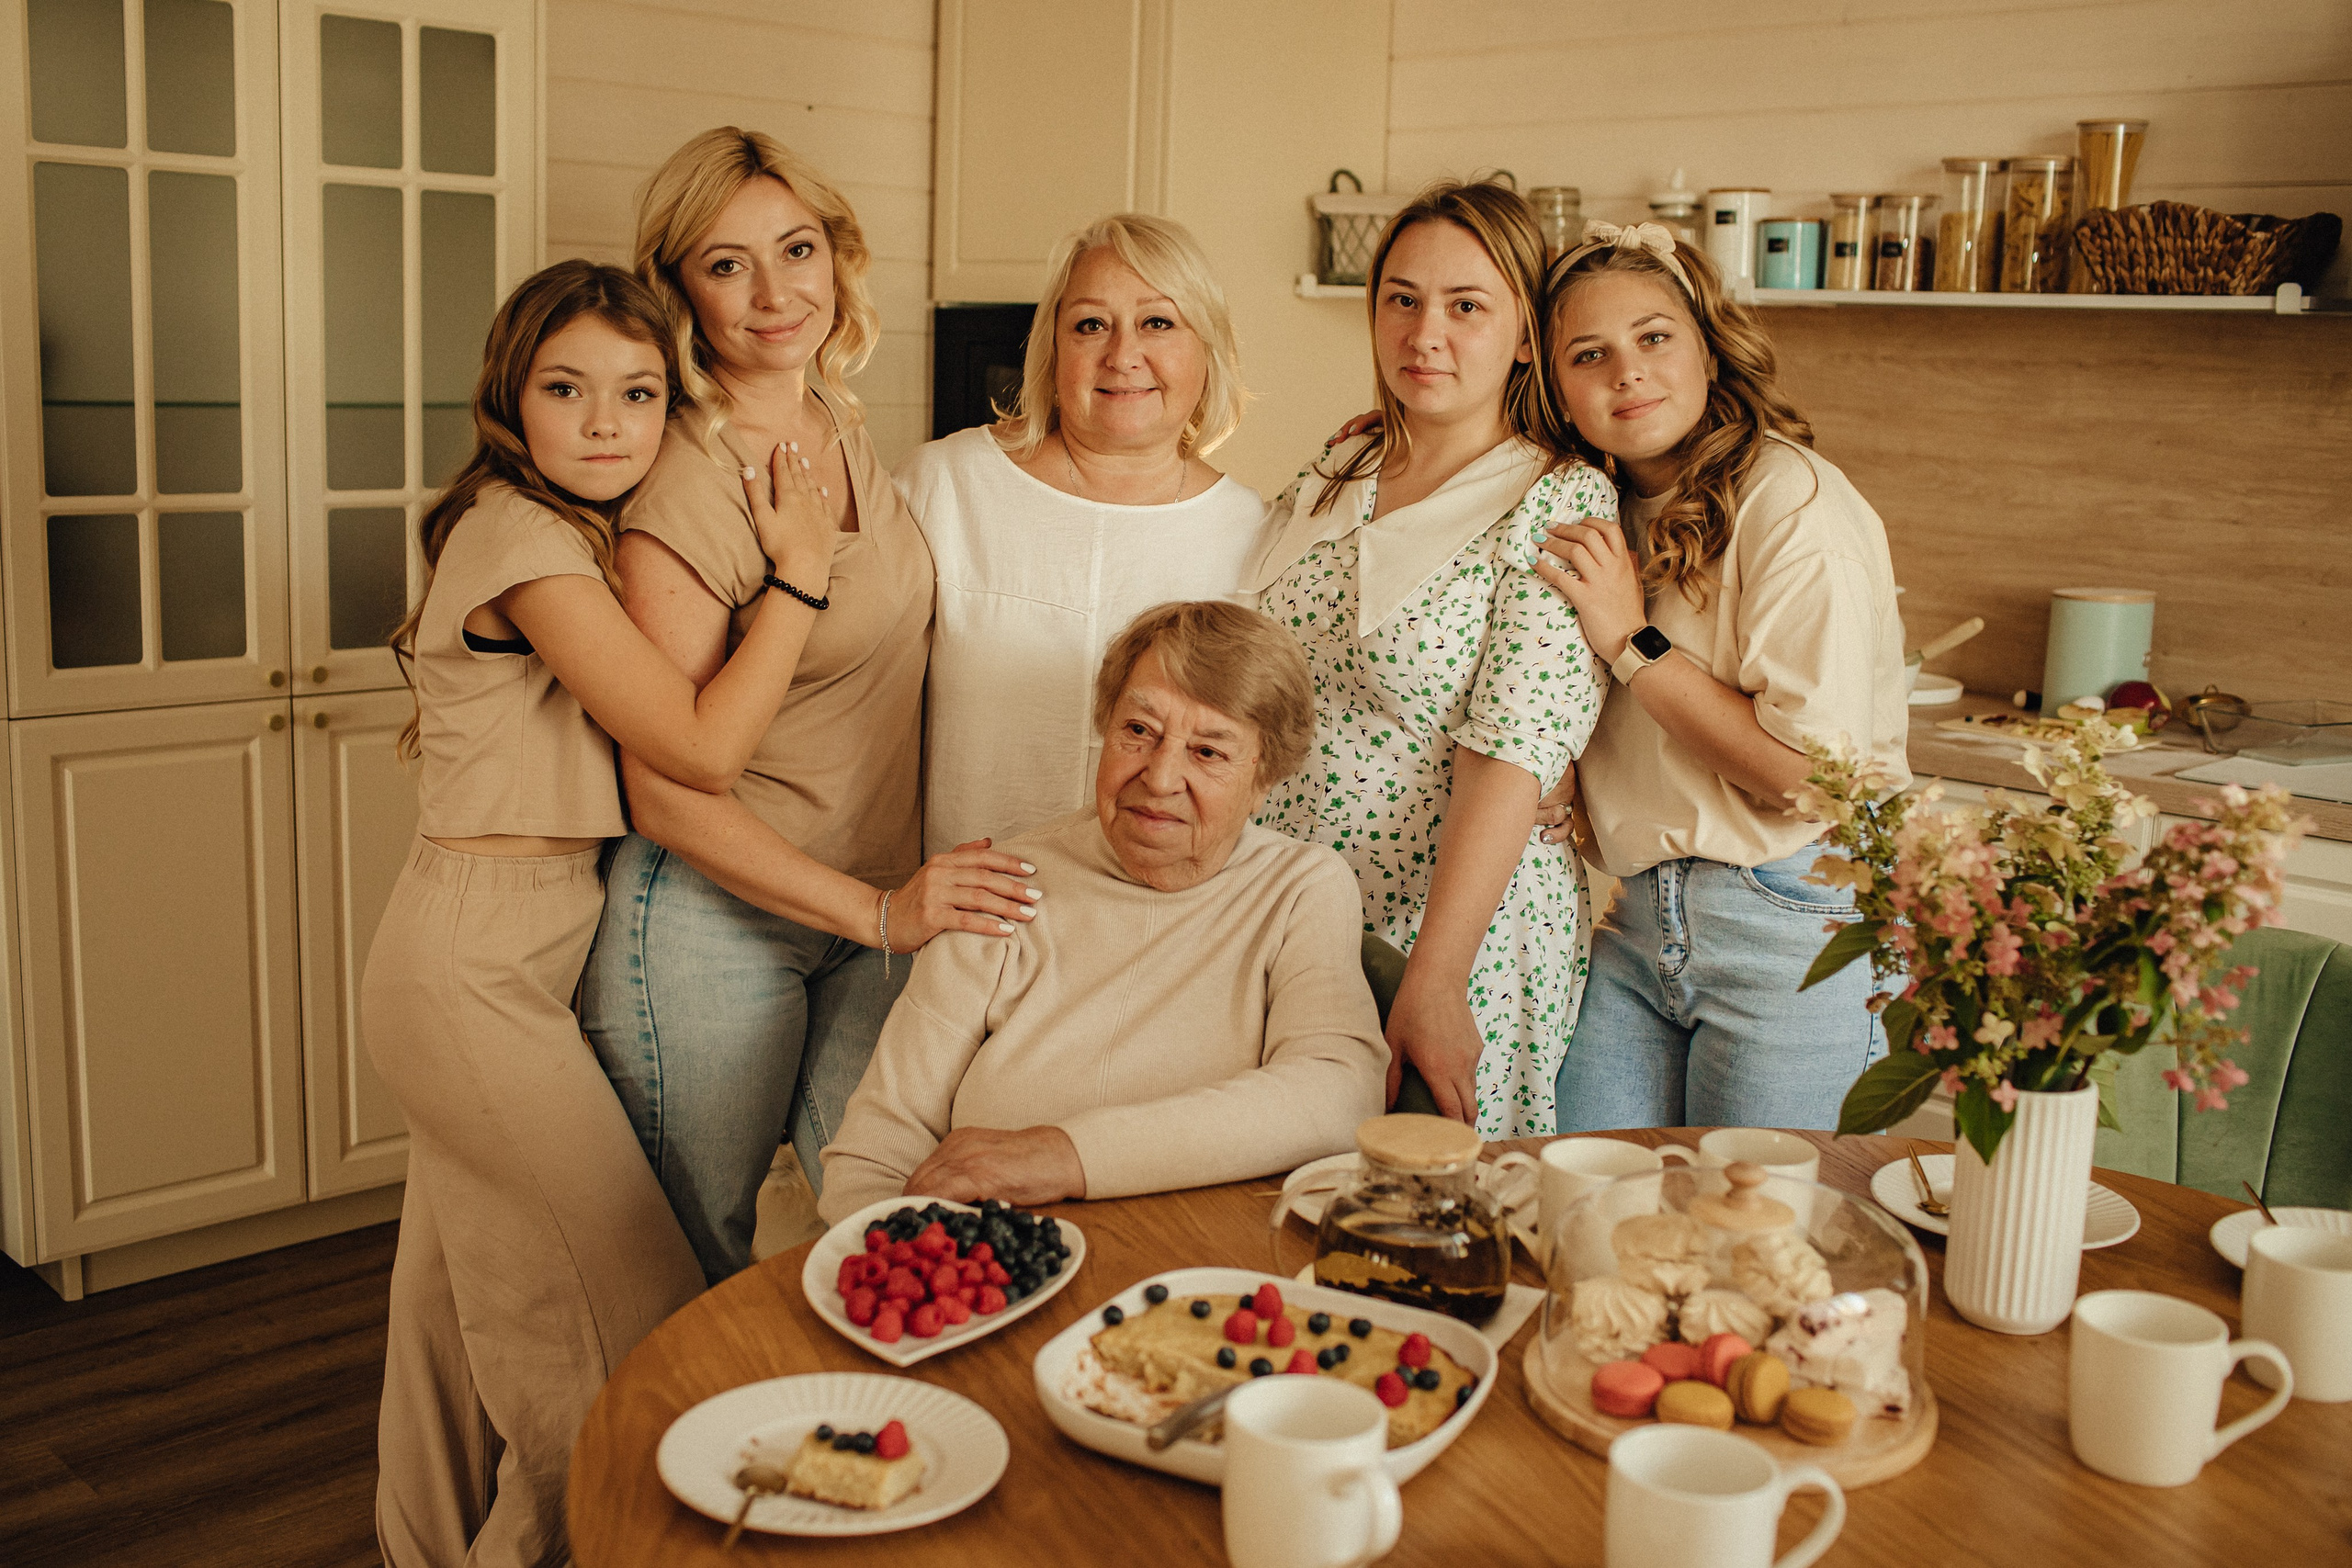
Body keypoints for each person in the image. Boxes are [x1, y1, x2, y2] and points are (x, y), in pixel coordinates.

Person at [363, 259, 835, 1565]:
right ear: (513, 393)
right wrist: (795, 579)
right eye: (567, 388)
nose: (606, 420)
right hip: (471, 962)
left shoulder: (567, 532)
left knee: (458, 1323)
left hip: (505, 941)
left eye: (636, 391)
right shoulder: (521, 537)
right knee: (629, 1312)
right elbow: (698, 747)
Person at [575, 128, 1039, 1284]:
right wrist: (877, 915)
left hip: (869, 908)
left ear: (838, 258)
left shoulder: (836, 414)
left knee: (889, 1228)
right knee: (697, 1263)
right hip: (712, 922)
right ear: (679, 290)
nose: (776, 293)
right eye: (728, 265)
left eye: (797, 249)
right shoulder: (680, 479)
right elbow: (667, 792)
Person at [1243, 180, 1612, 1140]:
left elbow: (1512, 753)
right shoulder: (1334, 471)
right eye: (1401, 299)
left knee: (1425, 1229)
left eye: (1465, 306)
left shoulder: (1556, 503)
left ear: (1526, 336)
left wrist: (1435, 979)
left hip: (1450, 934)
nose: (1424, 333)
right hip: (1295, 919)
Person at [818, 602, 1387, 1220]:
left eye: (1208, 752)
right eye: (1139, 731)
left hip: (1209, 1278)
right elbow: (879, 1146)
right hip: (997, 1282)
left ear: (1266, 776)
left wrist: (1065, 1154)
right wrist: (881, 1275)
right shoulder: (1001, 881)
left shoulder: (1300, 888)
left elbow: (1340, 1094)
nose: (1161, 776)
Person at [1535, 221, 1906, 1132]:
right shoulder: (1589, 507)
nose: (1627, 371)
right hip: (1635, 919)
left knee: (1758, 1249)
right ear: (1554, 387)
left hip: (1792, 918)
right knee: (1590, 1212)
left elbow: (1809, 778)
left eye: (1653, 337)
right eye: (1590, 353)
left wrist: (1632, 642)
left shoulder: (1791, 500)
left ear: (1708, 347)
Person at [897, 213, 1267, 855]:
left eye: (1158, 322)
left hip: (1160, 917)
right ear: (1052, 350)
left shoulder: (1254, 533)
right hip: (967, 911)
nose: (1122, 355)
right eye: (1091, 325)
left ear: (1207, 348)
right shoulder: (946, 486)